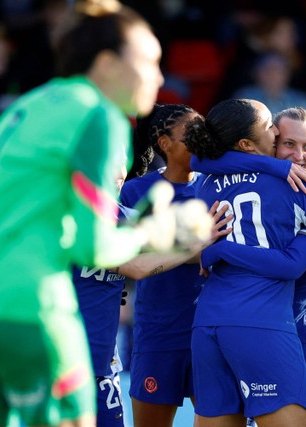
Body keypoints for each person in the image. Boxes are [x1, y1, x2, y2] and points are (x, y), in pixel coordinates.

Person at [0, 2, 211, 427]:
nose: (159, 76)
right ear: (108, 63)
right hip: (24, 305)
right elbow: (93, 245)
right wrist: (158, 233)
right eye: (149, 60)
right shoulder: (99, 115)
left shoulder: (26, 107)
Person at [184, 98, 306, 427]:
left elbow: (202, 164)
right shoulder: (296, 183)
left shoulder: (204, 183)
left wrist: (214, 252)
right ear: (247, 144)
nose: (276, 131)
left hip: (207, 324)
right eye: (271, 129)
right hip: (263, 324)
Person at [118, 103, 205, 427]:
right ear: (165, 144)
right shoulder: (134, 193)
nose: (202, 140)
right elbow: (123, 257)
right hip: (158, 333)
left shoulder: (217, 186)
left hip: (209, 333)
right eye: (191, 134)